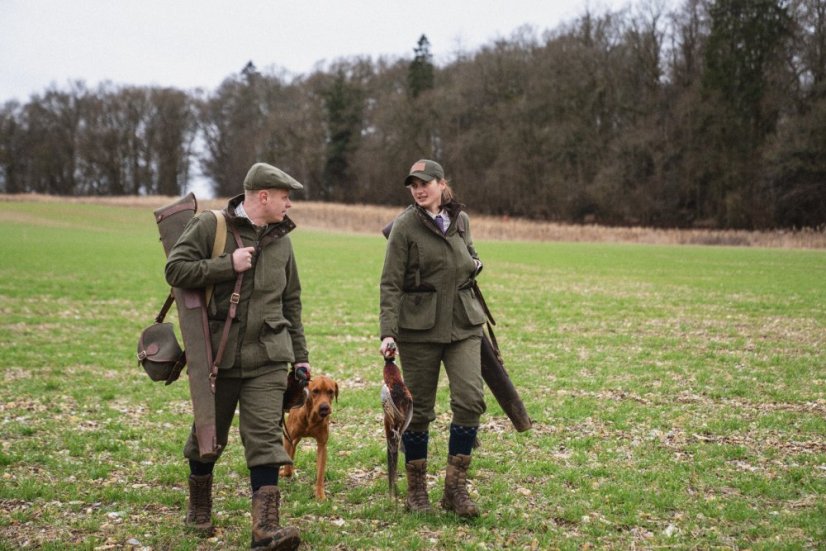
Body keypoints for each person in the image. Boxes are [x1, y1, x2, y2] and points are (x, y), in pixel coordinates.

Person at [166, 162, 309, 550]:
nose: (289, 204)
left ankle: (265, 529)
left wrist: (300, 357)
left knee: (265, 437)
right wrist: (227, 265)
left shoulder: (282, 239)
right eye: (285, 197)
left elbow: (291, 301)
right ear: (263, 196)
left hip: (269, 356)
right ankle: (199, 506)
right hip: (218, 354)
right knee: (208, 436)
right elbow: (175, 270)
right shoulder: (212, 227)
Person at [379, 159, 488, 518]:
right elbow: (391, 283)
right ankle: (416, 492)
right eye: (413, 185)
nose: (419, 189)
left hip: (463, 324)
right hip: (419, 330)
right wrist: (388, 332)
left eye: (425, 183)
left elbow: (469, 258)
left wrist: (474, 263)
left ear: (442, 184)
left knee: (471, 400)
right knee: (420, 410)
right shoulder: (405, 227)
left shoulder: (462, 220)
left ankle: (454, 490)